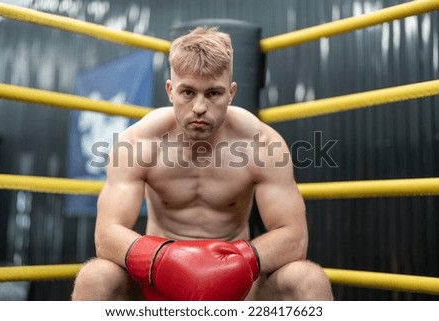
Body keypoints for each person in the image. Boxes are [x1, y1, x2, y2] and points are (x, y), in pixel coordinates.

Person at [71, 26, 333, 301]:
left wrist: (239, 260)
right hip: (156, 284)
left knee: (308, 280)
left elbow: (294, 238)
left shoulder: (262, 144)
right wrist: (163, 260)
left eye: (213, 94)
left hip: (236, 288)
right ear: (170, 91)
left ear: (230, 93)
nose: (199, 106)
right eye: (187, 92)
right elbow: (106, 236)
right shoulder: (139, 142)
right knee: (95, 276)